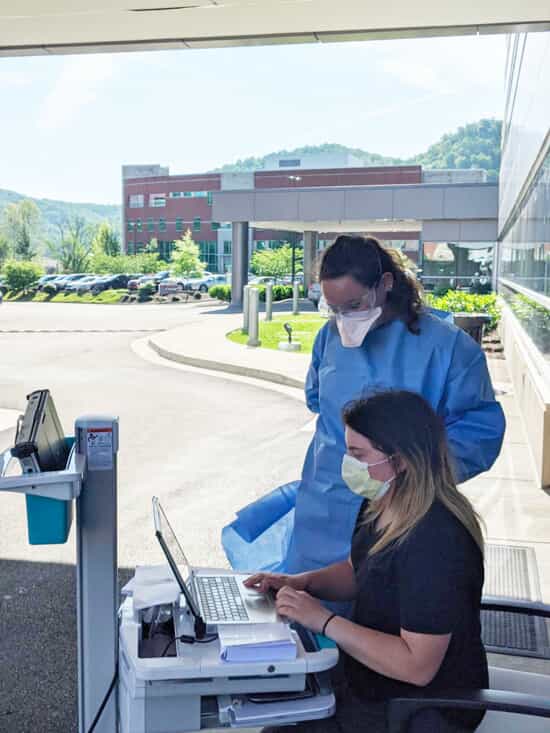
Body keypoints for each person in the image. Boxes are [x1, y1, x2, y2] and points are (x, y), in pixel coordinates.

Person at [222, 235, 505, 577]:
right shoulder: (330, 337)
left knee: (379, 608)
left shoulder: (447, 348)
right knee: (305, 603)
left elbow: (480, 433)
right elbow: (318, 399)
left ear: (385, 284)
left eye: (354, 305)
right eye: (334, 308)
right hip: (323, 507)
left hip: (402, 513)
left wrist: (408, 471)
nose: (343, 319)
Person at [245, 391, 488, 733]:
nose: (349, 464)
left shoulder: (436, 540)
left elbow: (416, 666)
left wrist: (324, 621)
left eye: (359, 454)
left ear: (401, 459)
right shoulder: (382, 502)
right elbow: (357, 571)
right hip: (368, 680)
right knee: (269, 704)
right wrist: (301, 583)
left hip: (419, 708)